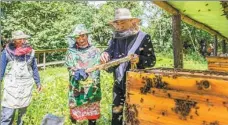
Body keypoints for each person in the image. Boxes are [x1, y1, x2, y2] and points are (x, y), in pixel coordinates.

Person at [100, 8, 156, 125]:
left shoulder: (144, 37)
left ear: (132, 22)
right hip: (118, 84)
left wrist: (139, 59)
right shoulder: (114, 38)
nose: (120, 26)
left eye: (123, 22)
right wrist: (105, 54)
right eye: (117, 23)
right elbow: (108, 52)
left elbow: (151, 61)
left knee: (135, 115)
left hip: (137, 85)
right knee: (116, 114)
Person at [0, 30, 42, 125]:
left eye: (24, 38)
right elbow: (1, 69)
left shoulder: (30, 52)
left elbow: (34, 68)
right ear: (14, 40)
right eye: (20, 39)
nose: (23, 41)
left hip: (25, 87)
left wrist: (38, 82)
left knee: (23, 117)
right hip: (11, 88)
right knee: (7, 115)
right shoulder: (7, 52)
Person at [65, 24, 101, 125]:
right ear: (74, 38)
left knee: (92, 113)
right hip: (77, 87)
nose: (81, 39)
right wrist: (76, 71)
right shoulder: (71, 52)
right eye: (77, 37)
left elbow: (98, 65)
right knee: (75, 111)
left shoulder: (95, 50)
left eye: (83, 36)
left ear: (87, 36)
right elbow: (69, 66)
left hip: (92, 88)